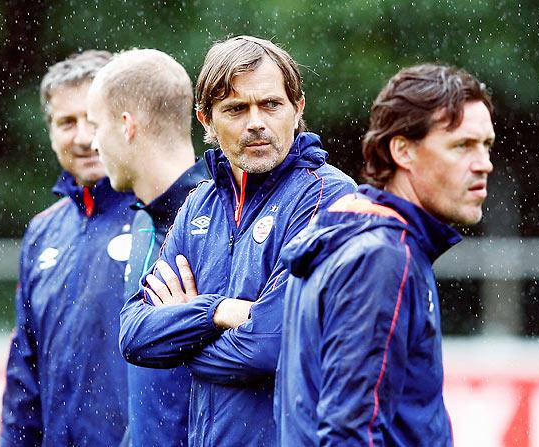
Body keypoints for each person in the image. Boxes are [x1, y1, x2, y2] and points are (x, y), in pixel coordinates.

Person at [119, 36, 356, 446]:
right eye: (235, 109)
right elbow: (135, 336)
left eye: (271, 104)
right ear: (205, 120)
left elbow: (271, 343)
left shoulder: (329, 196)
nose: (256, 122)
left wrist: (183, 337)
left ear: (298, 109)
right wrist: (218, 312)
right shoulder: (198, 205)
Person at [276, 63, 495, 446]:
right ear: (403, 150)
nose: (484, 164)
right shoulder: (381, 258)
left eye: (486, 145)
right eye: (462, 145)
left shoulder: (360, 238)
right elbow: (350, 433)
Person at [0, 50, 134, 446]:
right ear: (50, 131)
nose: (83, 137)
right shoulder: (43, 231)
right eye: (66, 122)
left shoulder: (170, 215)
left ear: (123, 121)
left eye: (93, 120)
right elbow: (25, 370)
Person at [87, 48, 209, 447]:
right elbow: (149, 395)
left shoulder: (224, 222)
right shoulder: (142, 221)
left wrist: (195, 321)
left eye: (96, 126)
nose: (92, 143)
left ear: (126, 126)